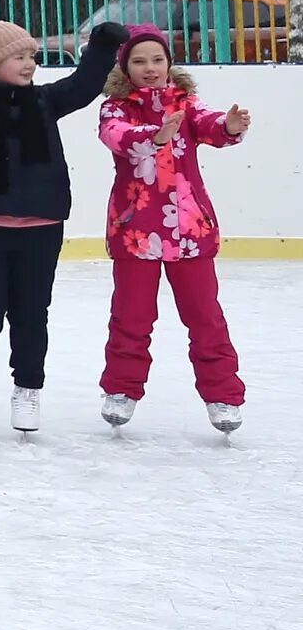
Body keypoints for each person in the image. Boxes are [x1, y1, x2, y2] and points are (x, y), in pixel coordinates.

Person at [0, 9, 125, 435]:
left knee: (32, 313)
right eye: (20, 57)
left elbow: (85, 85)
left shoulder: (44, 101)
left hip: (41, 226)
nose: (31, 63)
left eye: (32, 55)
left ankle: (28, 389)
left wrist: (104, 45)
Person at [94, 23, 250, 436]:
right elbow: (118, 137)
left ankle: (223, 395)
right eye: (140, 61)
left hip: (190, 228)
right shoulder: (116, 107)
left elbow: (208, 124)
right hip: (135, 228)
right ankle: (122, 389)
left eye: (158, 59)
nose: (150, 68)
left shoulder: (186, 101)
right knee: (132, 316)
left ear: (169, 63)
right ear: (125, 66)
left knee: (206, 317)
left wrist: (229, 125)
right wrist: (155, 134)